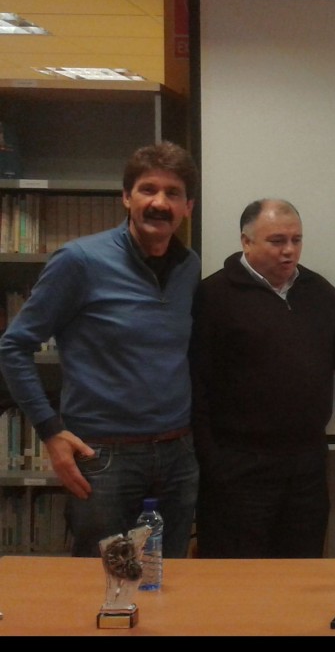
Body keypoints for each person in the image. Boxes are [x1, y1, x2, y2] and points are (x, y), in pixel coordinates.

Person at [0, 141, 201, 558]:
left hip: (177, 454)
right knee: (102, 582)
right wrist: (50, 432)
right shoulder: (79, 261)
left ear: (188, 207)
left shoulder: (189, 266)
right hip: (104, 458)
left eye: (173, 193)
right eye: (148, 189)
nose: (159, 202)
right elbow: (14, 346)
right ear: (126, 197)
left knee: (173, 579)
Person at [189, 198, 335, 558]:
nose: (289, 250)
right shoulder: (214, 295)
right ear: (246, 241)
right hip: (238, 467)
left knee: (301, 571)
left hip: (306, 465)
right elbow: (196, 383)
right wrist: (213, 462)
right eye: (277, 241)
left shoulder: (318, 291)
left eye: (296, 240)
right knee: (237, 575)